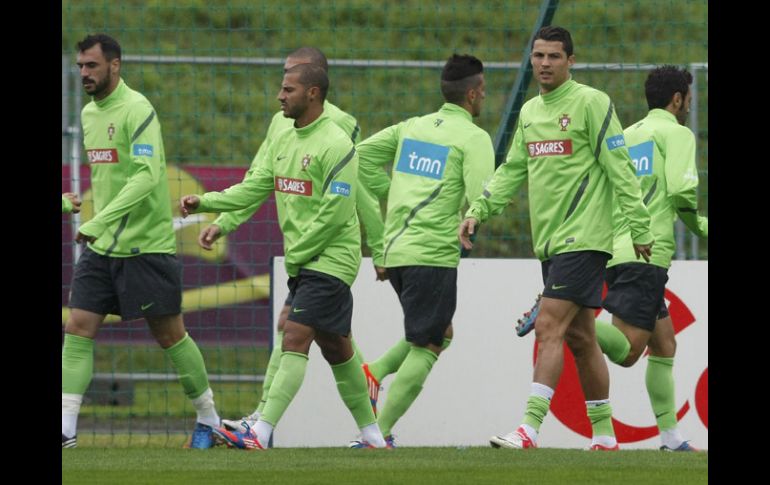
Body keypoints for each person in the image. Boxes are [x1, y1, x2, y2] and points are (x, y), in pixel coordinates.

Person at [459, 26, 653, 451]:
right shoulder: (529, 112)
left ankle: (528, 428)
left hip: (585, 238)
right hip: (548, 242)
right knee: (582, 338)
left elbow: (621, 168)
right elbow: (512, 170)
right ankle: (605, 435)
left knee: (547, 325)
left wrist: (640, 226)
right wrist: (478, 211)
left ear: (571, 61)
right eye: (538, 56)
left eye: (553, 57)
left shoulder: (591, 103)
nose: (544, 64)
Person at [180, 63, 387, 450]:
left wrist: (300, 254)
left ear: (312, 93)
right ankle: (374, 436)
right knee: (338, 349)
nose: (280, 95)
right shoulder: (284, 139)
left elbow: (337, 214)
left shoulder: (336, 143)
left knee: (293, 334)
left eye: (288, 89)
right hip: (307, 261)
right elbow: (253, 188)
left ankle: (260, 431)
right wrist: (206, 202)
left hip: (330, 259)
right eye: (281, 87)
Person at [62, 34, 221, 449]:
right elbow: (108, 178)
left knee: (170, 336)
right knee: (78, 328)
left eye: (92, 66)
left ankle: (209, 419)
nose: (84, 73)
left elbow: (146, 177)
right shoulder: (89, 114)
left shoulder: (138, 109)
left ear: (115, 65)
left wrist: (100, 220)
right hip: (102, 248)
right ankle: (65, 430)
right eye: (80, 66)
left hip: (145, 246)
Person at [356, 54, 495, 446]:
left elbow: (361, 158)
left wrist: (395, 193)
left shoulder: (411, 127)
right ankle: (377, 434)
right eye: (483, 91)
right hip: (431, 253)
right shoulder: (472, 138)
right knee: (431, 342)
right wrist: (477, 211)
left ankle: (376, 370)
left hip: (397, 251)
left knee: (438, 331)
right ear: (471, 94)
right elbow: (481, 193)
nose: (485, 97)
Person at [594, 65, 707, 452]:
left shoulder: (625, 136)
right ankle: (570, 318)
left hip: (618, 249)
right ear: (677, 99)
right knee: (627, 351)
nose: (689, 106)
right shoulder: (676, 134)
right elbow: (680, 193)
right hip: (647, 253)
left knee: (664, 345)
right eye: (689, 99)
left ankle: (671, 438)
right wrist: (703, 228)